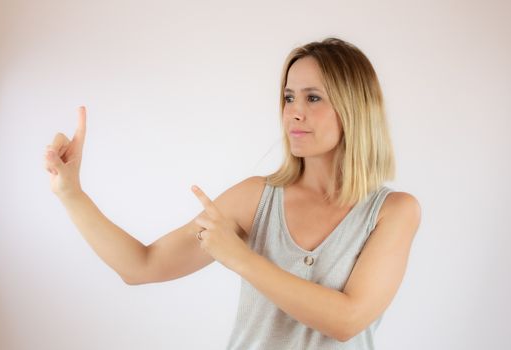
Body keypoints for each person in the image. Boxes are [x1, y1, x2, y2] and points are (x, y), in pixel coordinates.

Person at [43, 37, 421, 349]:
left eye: (313, 98)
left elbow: (347, 320)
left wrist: (240, 257)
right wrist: (71, 193)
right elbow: (141, 265)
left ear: (354, 107)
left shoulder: (393, 212)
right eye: (289, 97)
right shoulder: (256, 198)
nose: (294, 113)